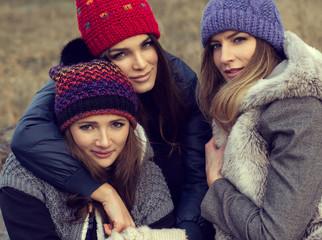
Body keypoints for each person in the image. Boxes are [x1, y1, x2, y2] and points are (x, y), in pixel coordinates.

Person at [9, 0, 214, 239]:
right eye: (121, 53)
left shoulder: (180, 80)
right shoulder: (78, 79)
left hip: (168, 210)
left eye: (146, 44)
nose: (141, 63)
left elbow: (196, 172)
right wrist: (102, 192)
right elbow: (27, 134)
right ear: (97, 59)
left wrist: (187, 231)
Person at [0, 59, 188, 240]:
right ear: (65, 129)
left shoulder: (146, 176)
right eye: (87, 127)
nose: (104, 142)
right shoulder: (25, 176)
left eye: (116, 124)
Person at [197, 0, 322, 239]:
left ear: (265, 40)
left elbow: (275, 234)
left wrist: (216, 183)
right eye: (215, 45)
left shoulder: (297, 109)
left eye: (238, 39)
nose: (224, 57)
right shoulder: (235, 102)